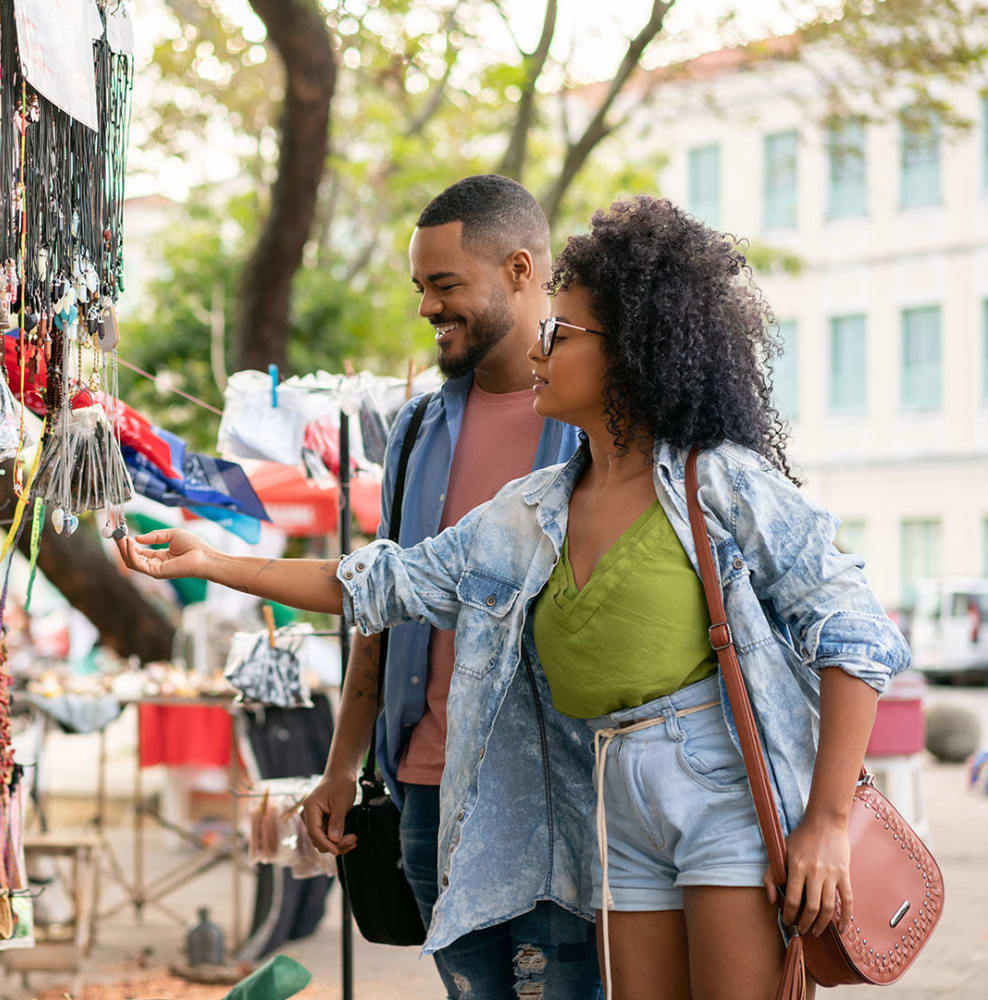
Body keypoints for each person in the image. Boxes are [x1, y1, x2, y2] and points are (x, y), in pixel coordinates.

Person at [117, 196, 909, 999]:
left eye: (560, 336)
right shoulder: (536, 508)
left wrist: (827, 821)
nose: (540, 349)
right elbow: (381, 582)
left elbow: (854, 632)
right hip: (613, 795)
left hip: (722, 788)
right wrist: (211, 559)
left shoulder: (717, 481)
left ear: (630, 353)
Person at [297, 174, 596, 999]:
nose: (427, 307)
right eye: (420, 287)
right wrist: (340, 767)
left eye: (445, 285)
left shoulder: (590, 419)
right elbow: (382, 599)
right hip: (425, 789)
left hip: (549, 794)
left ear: (520, 269)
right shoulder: (418, 427)